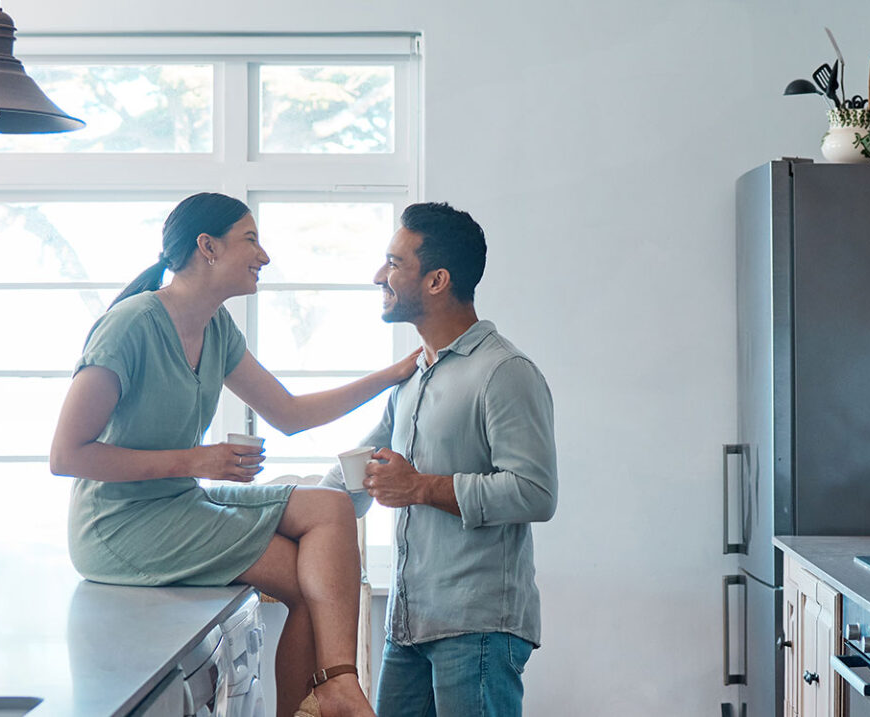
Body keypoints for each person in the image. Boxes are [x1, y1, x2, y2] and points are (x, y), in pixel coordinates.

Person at [50, 192, 418, 717]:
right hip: (118, 524)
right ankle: (339, 687)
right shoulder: (131, 326)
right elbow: (67, 454)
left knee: (325, 532)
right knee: (317, 587)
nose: (263, 256)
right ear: (208, 247)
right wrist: (196, 461)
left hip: (175, 504)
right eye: (250, 240)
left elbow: (289, 414)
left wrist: (390, 375)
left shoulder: (217, 329)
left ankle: (337, 685)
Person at [322, 202, 558, 717]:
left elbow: (535, 492)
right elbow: (359, 475)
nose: (378, 276)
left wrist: (421, 488)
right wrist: (287, 510)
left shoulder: (505, 372)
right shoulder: (412, 379)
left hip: (477, 631)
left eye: (394, 263)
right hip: (407, 629)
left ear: (437, 280)